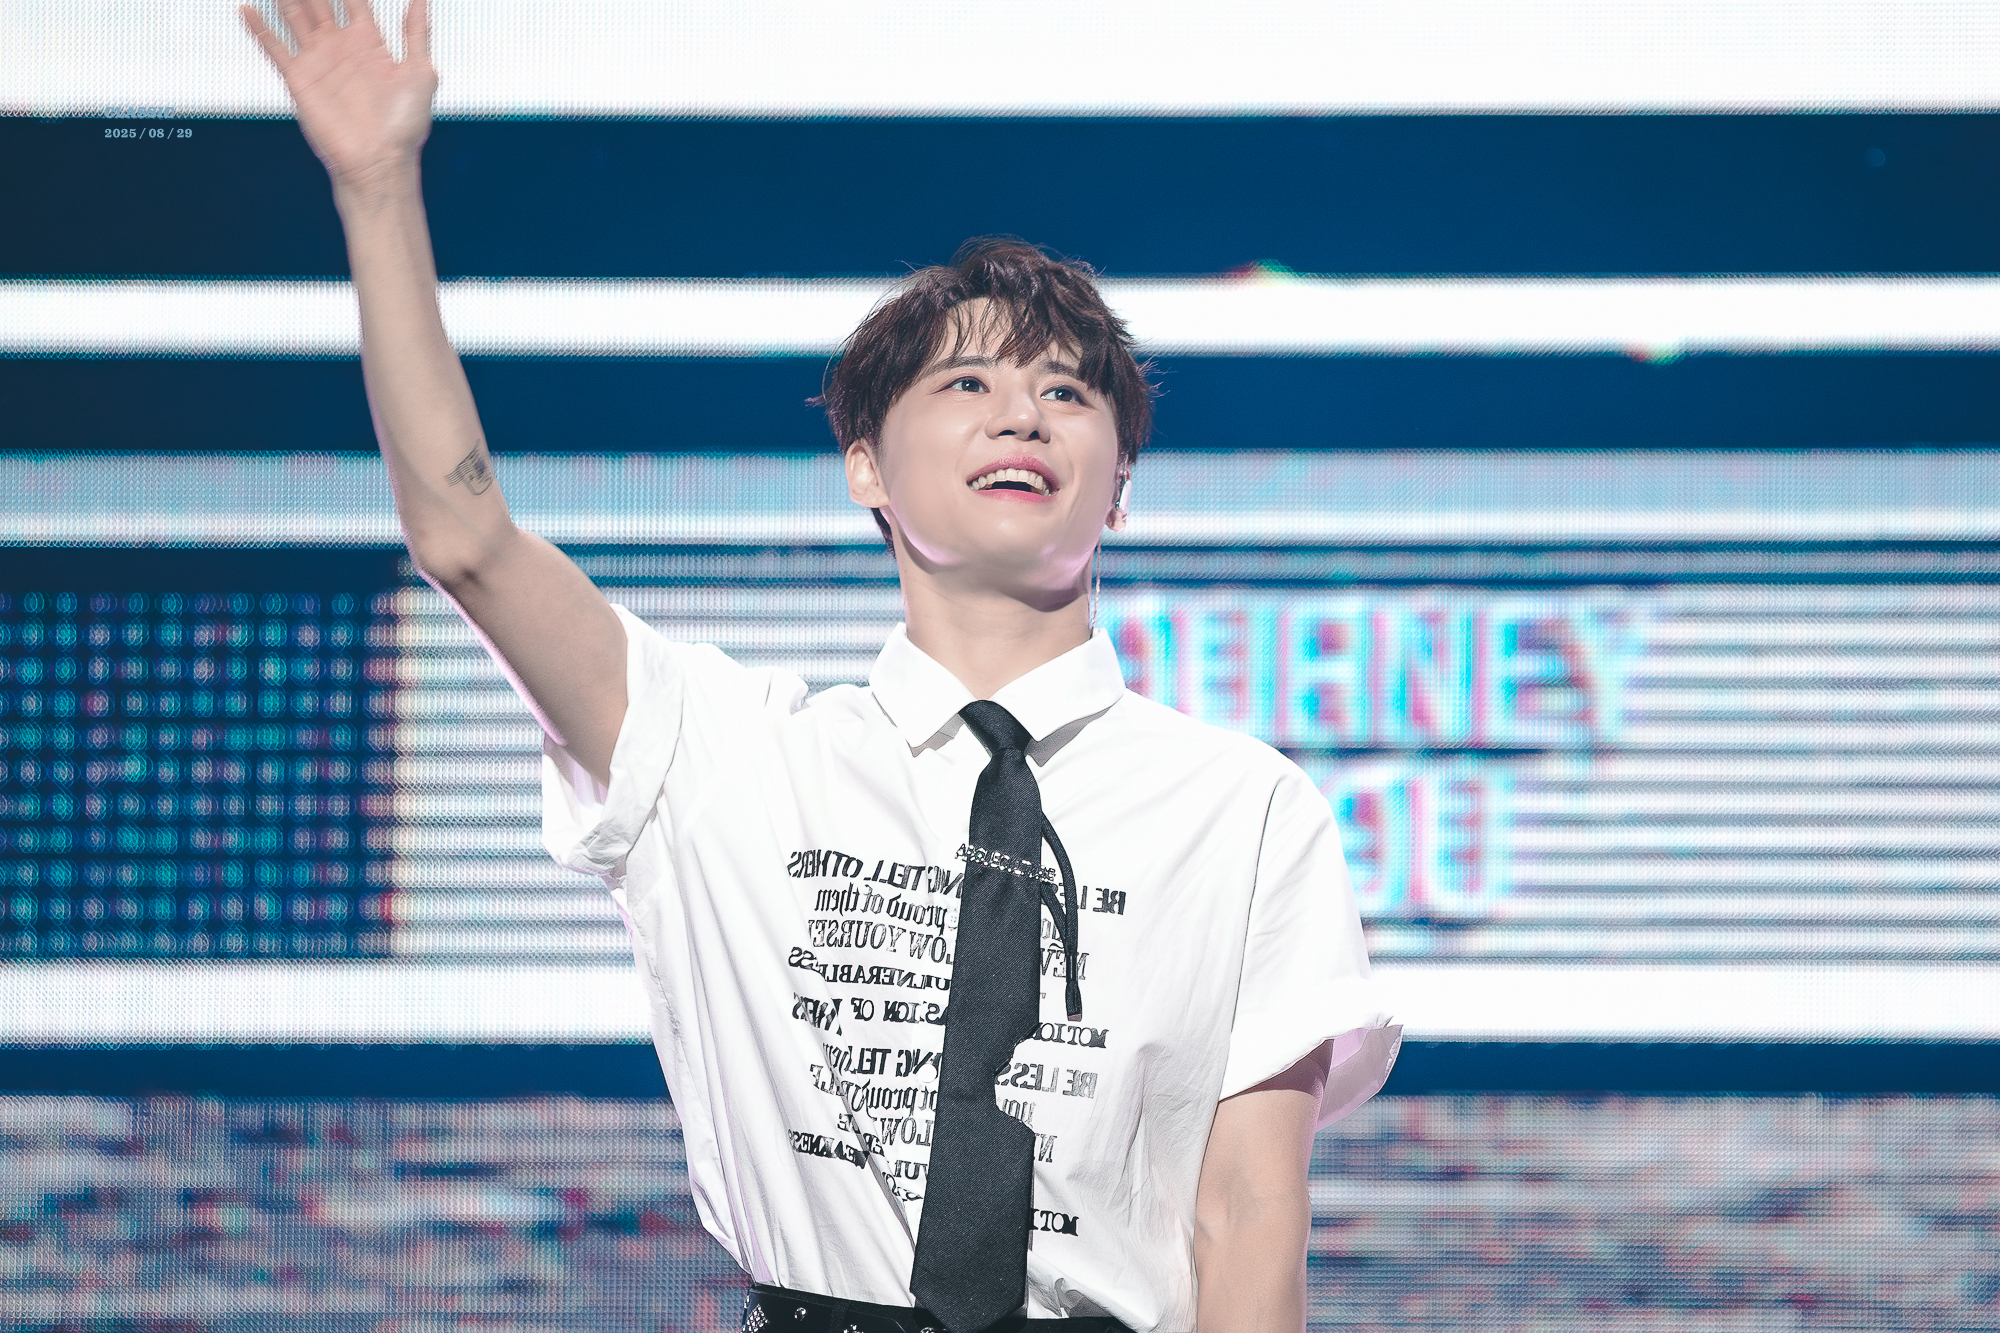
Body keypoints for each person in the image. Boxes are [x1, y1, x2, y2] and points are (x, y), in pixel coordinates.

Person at [243, 3, 1401, 1331]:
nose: (1022, 414)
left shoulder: (1244, 809)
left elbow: (1248, 1211)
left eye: (1067, 393)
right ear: (866, 466)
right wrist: (377, 189)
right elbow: (467, 541)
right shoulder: (723, 755)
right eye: (967, 386)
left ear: (1120, 486)